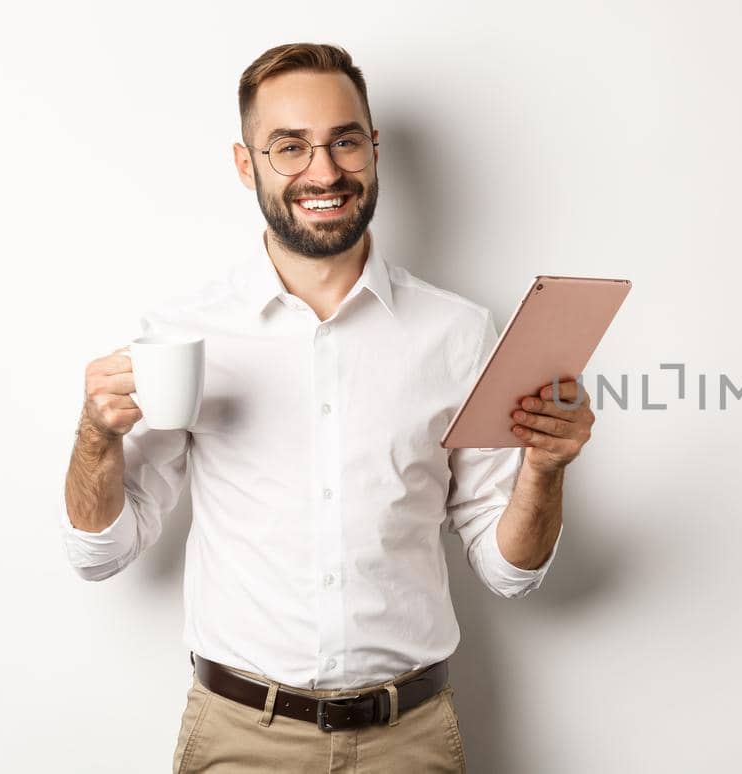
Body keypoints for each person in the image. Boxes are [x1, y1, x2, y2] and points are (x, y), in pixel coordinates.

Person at [60, 42, 594, 773]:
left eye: (344, 141)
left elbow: (510, 572)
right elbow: (100, 554)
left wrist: (545, 467)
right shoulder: (183, 336)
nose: (324, 171)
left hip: (410, 740)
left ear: (372, 151)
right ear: (246, 165)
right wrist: (95, 436)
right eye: (290, 147)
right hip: (240, 740)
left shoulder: (460, 333)